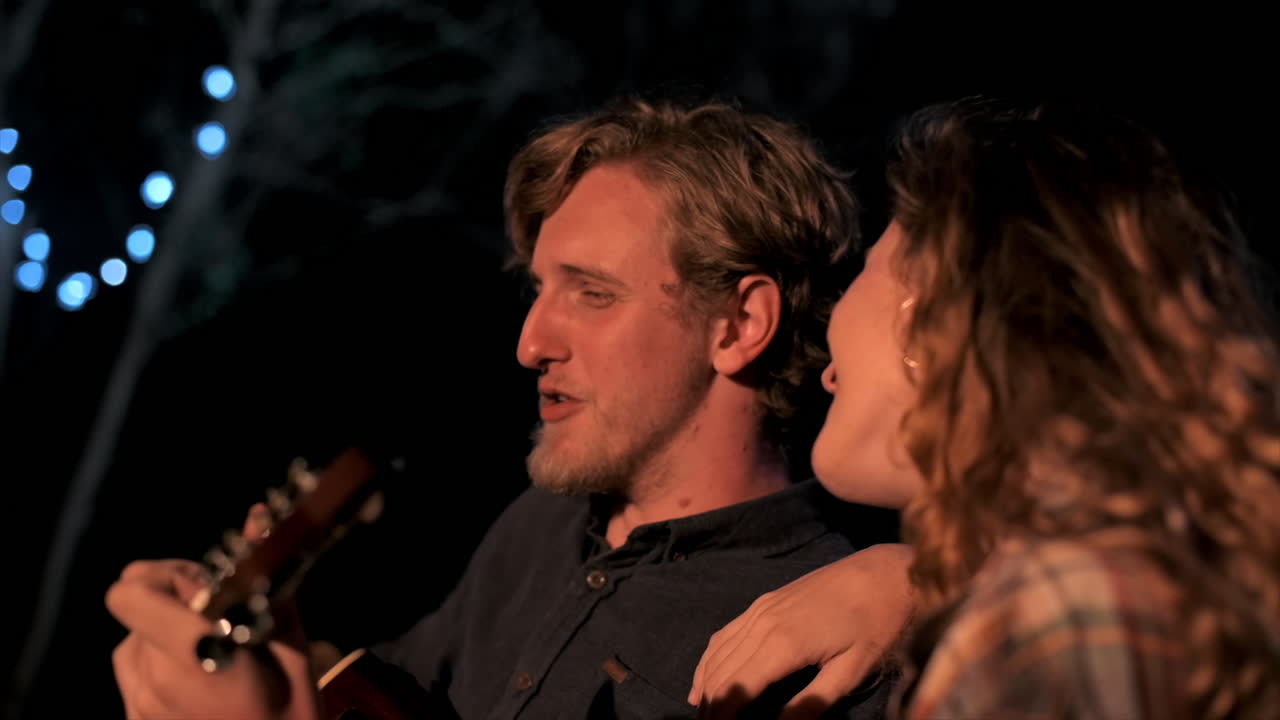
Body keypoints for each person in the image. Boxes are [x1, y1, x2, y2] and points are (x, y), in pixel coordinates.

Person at [105, 96, 914, 720]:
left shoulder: (826, 637)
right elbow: (393, 699)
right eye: (539, 290)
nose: (531, 344)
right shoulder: (542, 526)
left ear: (739, 325)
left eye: (593, 294)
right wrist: (276, 666)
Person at [690, 96, 1280, 719]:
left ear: (929, 326)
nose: (829, 374)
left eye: (869, 268)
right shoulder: (1128, 585)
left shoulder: (1051, 626)